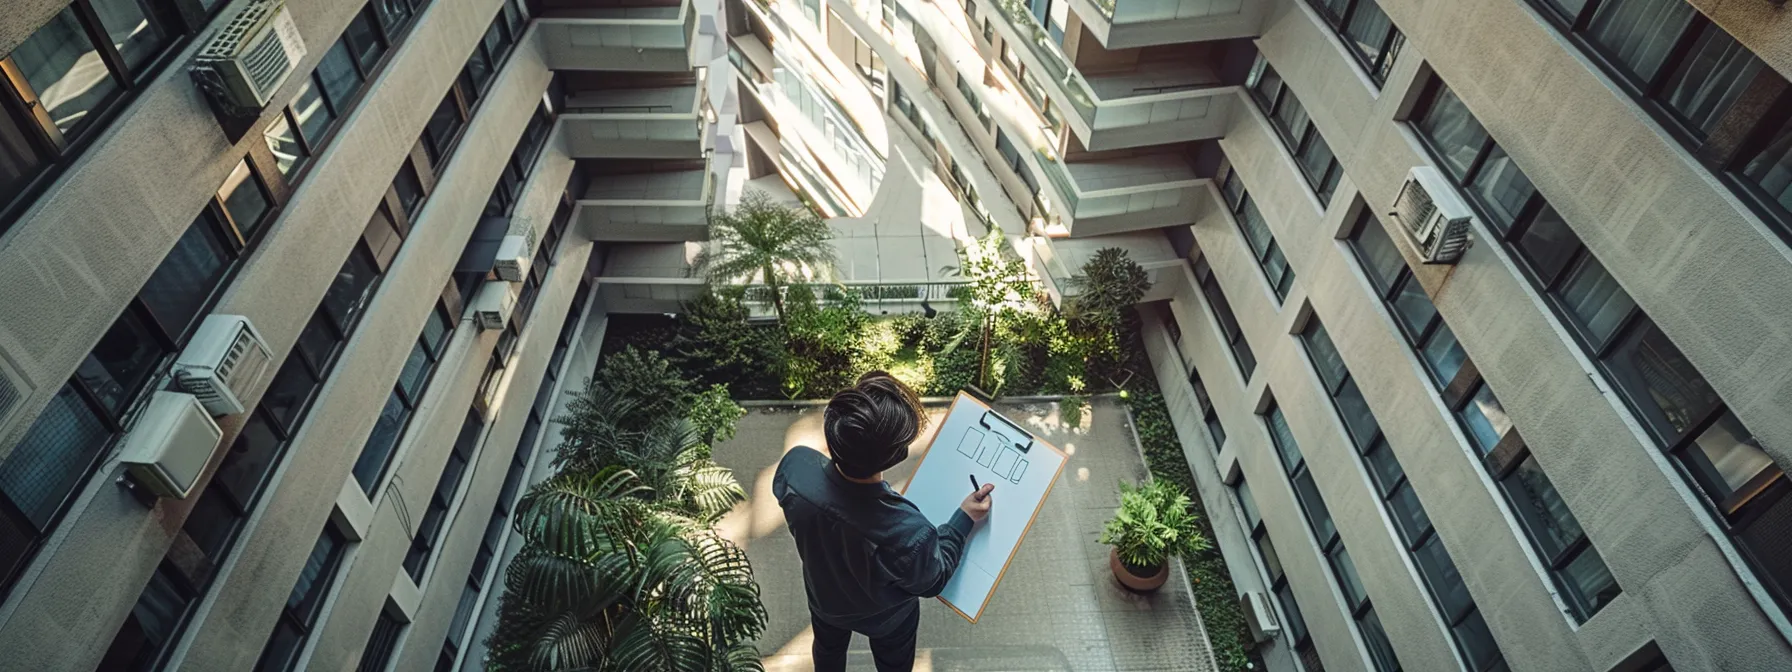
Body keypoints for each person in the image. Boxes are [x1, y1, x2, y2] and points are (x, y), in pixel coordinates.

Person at [773, 371, 995, 672]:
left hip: (825, 600)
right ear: (896, 456)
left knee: (826, 652)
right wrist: (963, 519)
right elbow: (934, 580)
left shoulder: (795, 468)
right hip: (888, 619)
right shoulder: (909, 532)